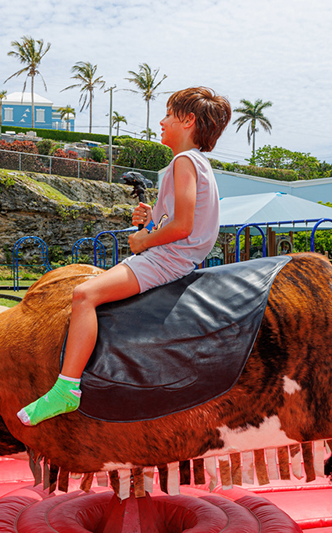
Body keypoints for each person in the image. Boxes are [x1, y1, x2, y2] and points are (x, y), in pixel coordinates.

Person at [17, 87, 232, 426]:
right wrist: (152, 217)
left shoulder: (184, 162)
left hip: (167, 258)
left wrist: (144, 241)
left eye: (169, 115)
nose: (162, 122)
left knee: (84, 295)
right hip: (175, 256)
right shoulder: (196, 163)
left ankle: (66, 388)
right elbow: (176, 218)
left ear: (188, 121)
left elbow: (183, 225)